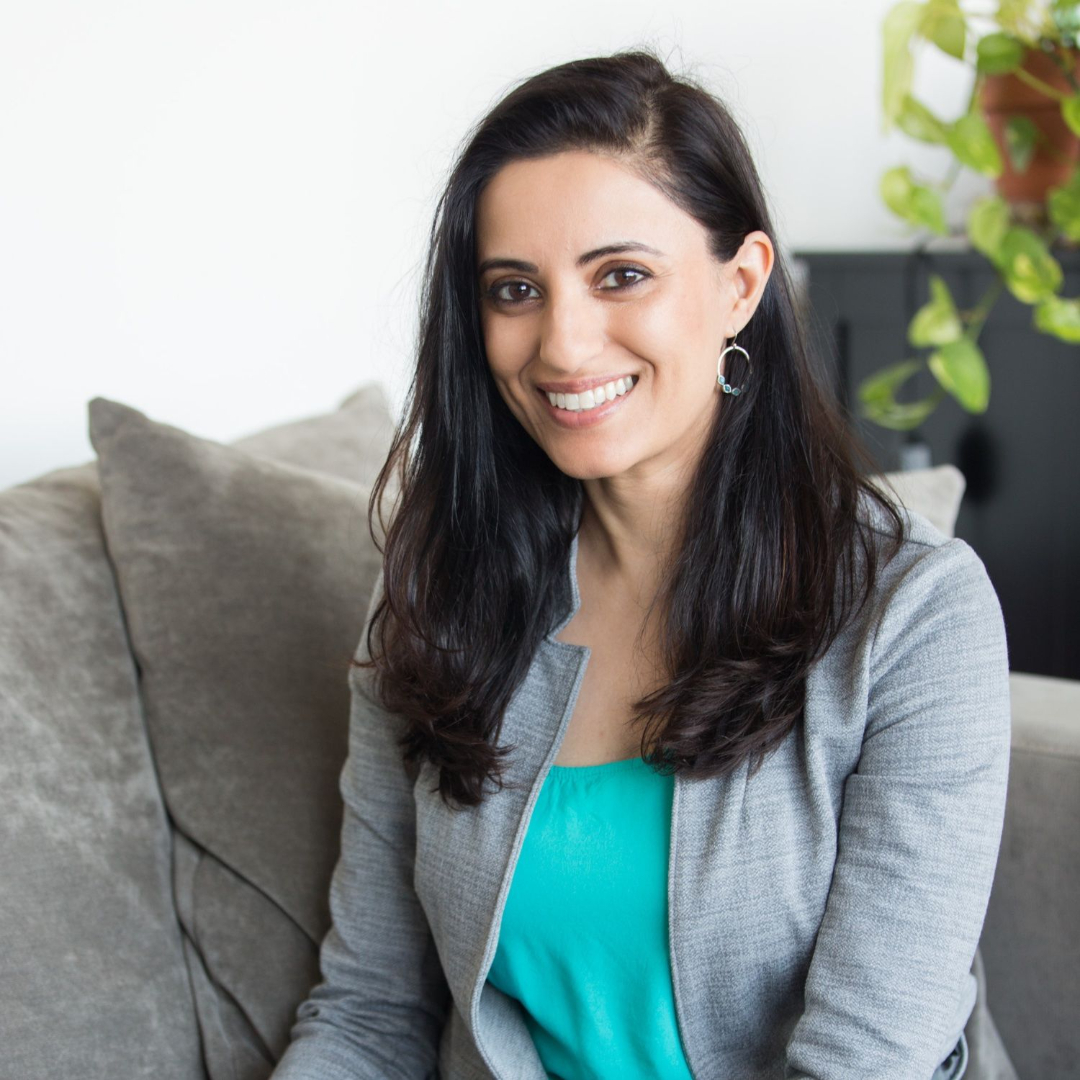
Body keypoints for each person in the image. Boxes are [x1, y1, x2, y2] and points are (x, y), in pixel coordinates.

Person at [269, 48, 1015, 1080]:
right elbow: (369, 1014)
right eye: (515, 289)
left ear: (740, 284)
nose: (564, 346)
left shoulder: (917, 614)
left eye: (621, 275)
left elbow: (865, 1063)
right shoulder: (440, 601)